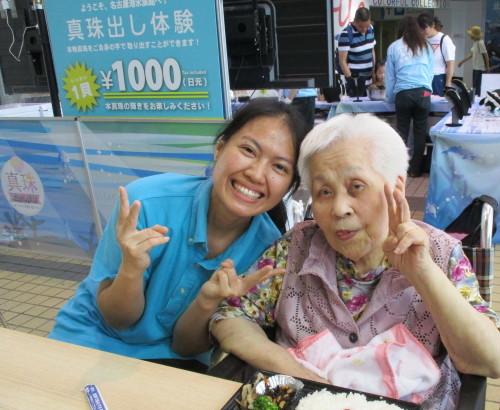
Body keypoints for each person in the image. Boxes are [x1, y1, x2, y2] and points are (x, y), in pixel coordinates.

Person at [190, 113, 500, 410]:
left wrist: (423, 273)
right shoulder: (295, 248)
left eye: (356, 187)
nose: (339, 208)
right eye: (324, 192)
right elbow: (230, 317)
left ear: (395, 187)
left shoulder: (439, 254)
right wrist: (298, 372)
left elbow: (488, 362)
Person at [48, 98, 307, 372]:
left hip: (172, 363)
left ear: (290, 185)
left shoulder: (268, 250)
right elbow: (117, 319)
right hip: (88, 339)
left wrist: (207, 301)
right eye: (248, 150)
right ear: (219, 148)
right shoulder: (145, 202)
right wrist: (131, 271)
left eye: (279, 167)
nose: (256, 174)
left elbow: (185, 348)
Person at [385, 15, 433, 177]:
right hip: (424, 92)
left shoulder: (394, 47)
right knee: (420, 132)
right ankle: (416, 169)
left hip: (403, 93)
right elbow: (430, 72)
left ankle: (400, 169)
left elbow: (390, 77)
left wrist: (390, 97)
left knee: (402, 133)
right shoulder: (425, 46)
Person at [338, 7, 376, 98]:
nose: (364, 29)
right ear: (355, 21)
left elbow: (372, 50)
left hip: (369, 81)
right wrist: (350, 79)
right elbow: (342, 60)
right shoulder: (346, 33)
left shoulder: (370, 29)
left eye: (366, 26)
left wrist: (373, 71)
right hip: (355, 82)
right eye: (361, 26)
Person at [418, 13, 456, 96]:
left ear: (432, 25)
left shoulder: (444, 39)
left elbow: (450, 63)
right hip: (423, 78)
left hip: (437, 77)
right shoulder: (421, 39)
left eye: (424, 29)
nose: (422, 32)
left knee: (436, 105)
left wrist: (448, 84)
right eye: (420, 29)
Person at [457, 26, 490, 97]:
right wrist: (462, 61)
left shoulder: (480, 43)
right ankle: (475, 97)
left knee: (477, 85)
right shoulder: (475, 43)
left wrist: (487, 67)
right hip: (476, 67)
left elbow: (486, 55)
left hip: (480, 68)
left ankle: (477, 97)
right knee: (475, 84)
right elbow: (471, 54)